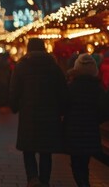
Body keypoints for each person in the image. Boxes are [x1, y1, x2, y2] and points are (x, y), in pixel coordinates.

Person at [9, 38, 68, 187]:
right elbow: (62, 91)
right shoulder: (53, 66)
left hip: (29, 114)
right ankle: (44, 180)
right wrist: (61, 111)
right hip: (50, 115)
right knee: (46, 151)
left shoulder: (21, 65)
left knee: (28, 149)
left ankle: (32, 178)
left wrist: (14, 107)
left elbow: (14, 90)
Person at [63, 53, 108, 187]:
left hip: (73, 132)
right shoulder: (98, 89)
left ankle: (83, 184)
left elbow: (63, 106)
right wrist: (95, 120)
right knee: (85, 162)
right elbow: (105, 110)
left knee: (76, 164)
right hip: (91, 132)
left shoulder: (71, 87)